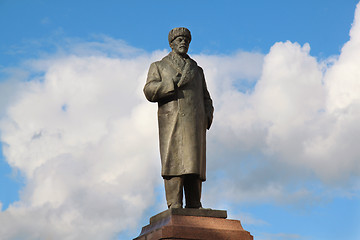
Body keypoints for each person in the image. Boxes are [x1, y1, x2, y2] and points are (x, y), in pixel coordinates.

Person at [144, 27, 214, 209]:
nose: (183, 42)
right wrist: (169, 83)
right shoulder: (159, 66)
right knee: (174, 162)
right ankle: (174, 203)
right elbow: (149, 91)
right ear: (171, 44)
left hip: (195, 123)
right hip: (172, 121)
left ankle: (194, 203)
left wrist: (207, 115)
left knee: (194, 163)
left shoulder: (197, 70)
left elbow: (206, 97)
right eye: (179, 39)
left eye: (186, 39)